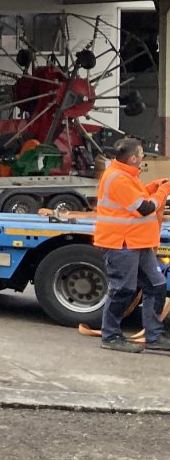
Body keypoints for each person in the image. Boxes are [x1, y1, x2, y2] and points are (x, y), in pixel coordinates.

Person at [93, 137, 170, 353]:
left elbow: (135, 198)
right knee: (122, 290)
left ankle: (154, 336)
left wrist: (153, 187)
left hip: (137, 242)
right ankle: (111, 336)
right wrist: (163, 191)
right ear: (133, 157)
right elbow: (144, 208)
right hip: (122, 243)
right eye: (142, 154)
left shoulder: (127, 176)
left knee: (156, 286)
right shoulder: (118, 178)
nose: (144, 157)